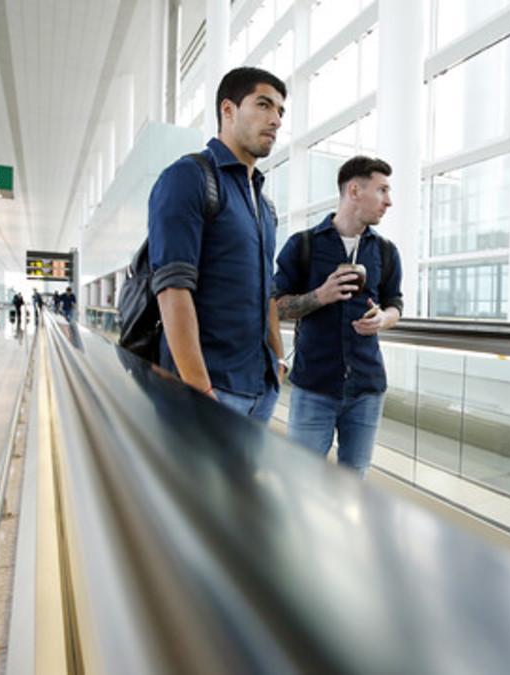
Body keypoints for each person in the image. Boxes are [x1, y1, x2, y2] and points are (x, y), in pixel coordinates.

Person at [148, 67, 287, 423]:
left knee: (242, 482)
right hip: (211, 389)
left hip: (261, 387)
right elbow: (172, 288)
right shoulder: (189, 178)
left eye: (280, 111)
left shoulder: (264, 203)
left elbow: (268, 290)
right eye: (264, 105)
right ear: (228, 110)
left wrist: (278, 357)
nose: (275, 120)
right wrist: (199, 390)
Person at [273, 156, 402, 475]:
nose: (389, 201)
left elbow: (395, 305)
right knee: (302, 479)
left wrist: (382, 320)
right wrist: (320, 296)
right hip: (314, 386)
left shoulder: (386, 252)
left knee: (354, 482)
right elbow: (274, 306)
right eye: (382, 190)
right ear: (355, 190)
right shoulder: (302, 245)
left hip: (367, 388)